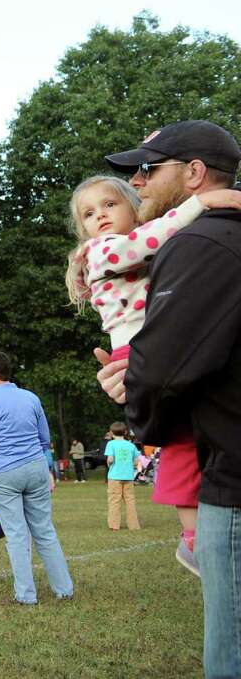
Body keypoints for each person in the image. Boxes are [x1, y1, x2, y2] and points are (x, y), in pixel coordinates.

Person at [92, 121, 241, 676]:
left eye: (149, 169)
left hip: (230, 477)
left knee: (230, 654)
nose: (137, 181)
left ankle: (191, 539)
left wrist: (136, 396)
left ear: (194, 173)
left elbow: (167, 371)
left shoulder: (198, 242)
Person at [67, 169, 241, 571]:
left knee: (195, 435)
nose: (101, 217)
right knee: (180, 441)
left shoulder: (153, 246)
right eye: (89, 214)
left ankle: (199, 532)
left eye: (110, 205)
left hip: (156, 341)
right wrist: (199, 203)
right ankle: (193, 538)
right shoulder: (104, 250)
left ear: (134, 206)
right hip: (139, 345)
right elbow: (142, 243)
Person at [0, 351, 73, 605]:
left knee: (17, 534)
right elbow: (44, 438)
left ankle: (26, 595)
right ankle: (64, 589)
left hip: (4, 473)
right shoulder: (31, 398)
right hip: (36, 469)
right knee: (44, 530)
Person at [104, 421, 141, 530]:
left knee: (114, 500)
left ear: (111, 433)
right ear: (125, 432)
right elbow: (136, 461)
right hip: (128, 477)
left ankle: (114, 525)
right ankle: (133, 525)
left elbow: (110, 459)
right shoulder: (131, 445)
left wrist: (109, 464)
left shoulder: (110, 444)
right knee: (130, 500)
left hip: (115, 476)